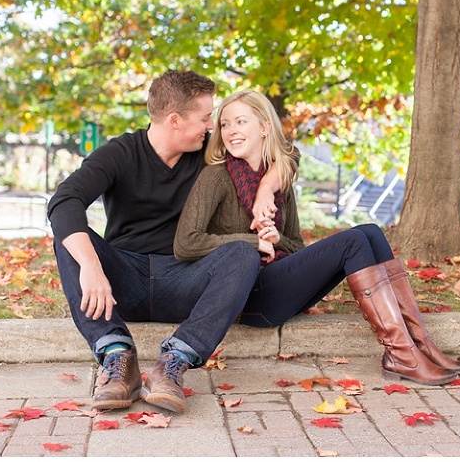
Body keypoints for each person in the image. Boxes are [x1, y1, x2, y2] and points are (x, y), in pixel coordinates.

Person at [173, 89, 460, 386]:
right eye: (224, 124)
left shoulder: (278, 180)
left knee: (370, 232)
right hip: (244, 297)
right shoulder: (215, 177)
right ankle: (402, 354)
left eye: (240, 121)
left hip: (275, 280)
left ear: (264, 127)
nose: (231, 131)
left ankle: (420, 346)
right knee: (352, 242)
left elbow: (295, 245)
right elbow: (186, 243)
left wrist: (276, 238)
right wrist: (254, 242)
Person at [47, 71, 287, 414]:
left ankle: (173, 362)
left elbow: (283, 152)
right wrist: (90, 265)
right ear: (175, 120)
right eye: (205, 118)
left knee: (242, 252)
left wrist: (266, 187)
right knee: (70, 238)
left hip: (184, 279)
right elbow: (64, 200)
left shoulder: (206, 153)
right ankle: (117, 360)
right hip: (123, 281)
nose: (211, 126)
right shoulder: (120, 153)